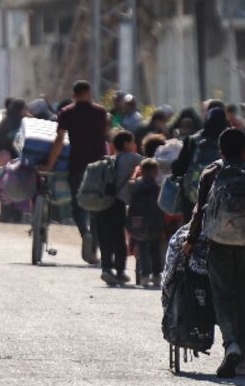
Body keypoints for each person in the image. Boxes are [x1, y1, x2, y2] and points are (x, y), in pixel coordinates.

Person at [185, 128, 245, 379]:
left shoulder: (211, 172)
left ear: (221, 150)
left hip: (218, 243)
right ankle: (241, 353)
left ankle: (230, 343)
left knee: (221, 294)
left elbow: (199, 212)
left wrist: (191, 241)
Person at [43, 81, 111, 262]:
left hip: (78, 164)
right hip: (100, 166)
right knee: (97, 207)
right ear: (89, 93)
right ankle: (94, 250)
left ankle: (84, 233)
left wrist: (50, 164)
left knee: (78, 206)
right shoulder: (101, 112)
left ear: (74, 95)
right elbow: (106, 136)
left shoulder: (67, 112)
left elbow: (59, 140)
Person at [91, 130, 141, 286]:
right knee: (119, 237)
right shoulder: (132, 158)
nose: (134, 145)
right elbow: (150, 164)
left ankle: (106, 268)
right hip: (118, 203)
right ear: (126, 144)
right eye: (132, 142)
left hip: (102, 203)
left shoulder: (109, 160)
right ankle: (120, 271)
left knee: (105, 237)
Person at [170, 106, 230, 220]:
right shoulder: (230, 140)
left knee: (190, 229)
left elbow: (180, 168)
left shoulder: (192, 140)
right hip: (223, 199)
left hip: (194, 197)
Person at [127, 158, 166, 288]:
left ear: (141, 172)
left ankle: (144, 275)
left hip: (138, 222)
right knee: (155, 250)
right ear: (155, 172)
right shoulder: (158, 188)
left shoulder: (134, 187)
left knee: (142, 249)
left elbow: (130, 205)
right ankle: (156, 275)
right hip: (155, 223)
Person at [0, 99, 26, 221]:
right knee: (17, 187)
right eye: (25, 108)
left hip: (3, 159)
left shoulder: (5, 121)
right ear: (20, 110)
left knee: (5, 186)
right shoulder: (22, 123)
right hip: (16, 159)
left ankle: (5, 215)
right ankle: (16, 216)